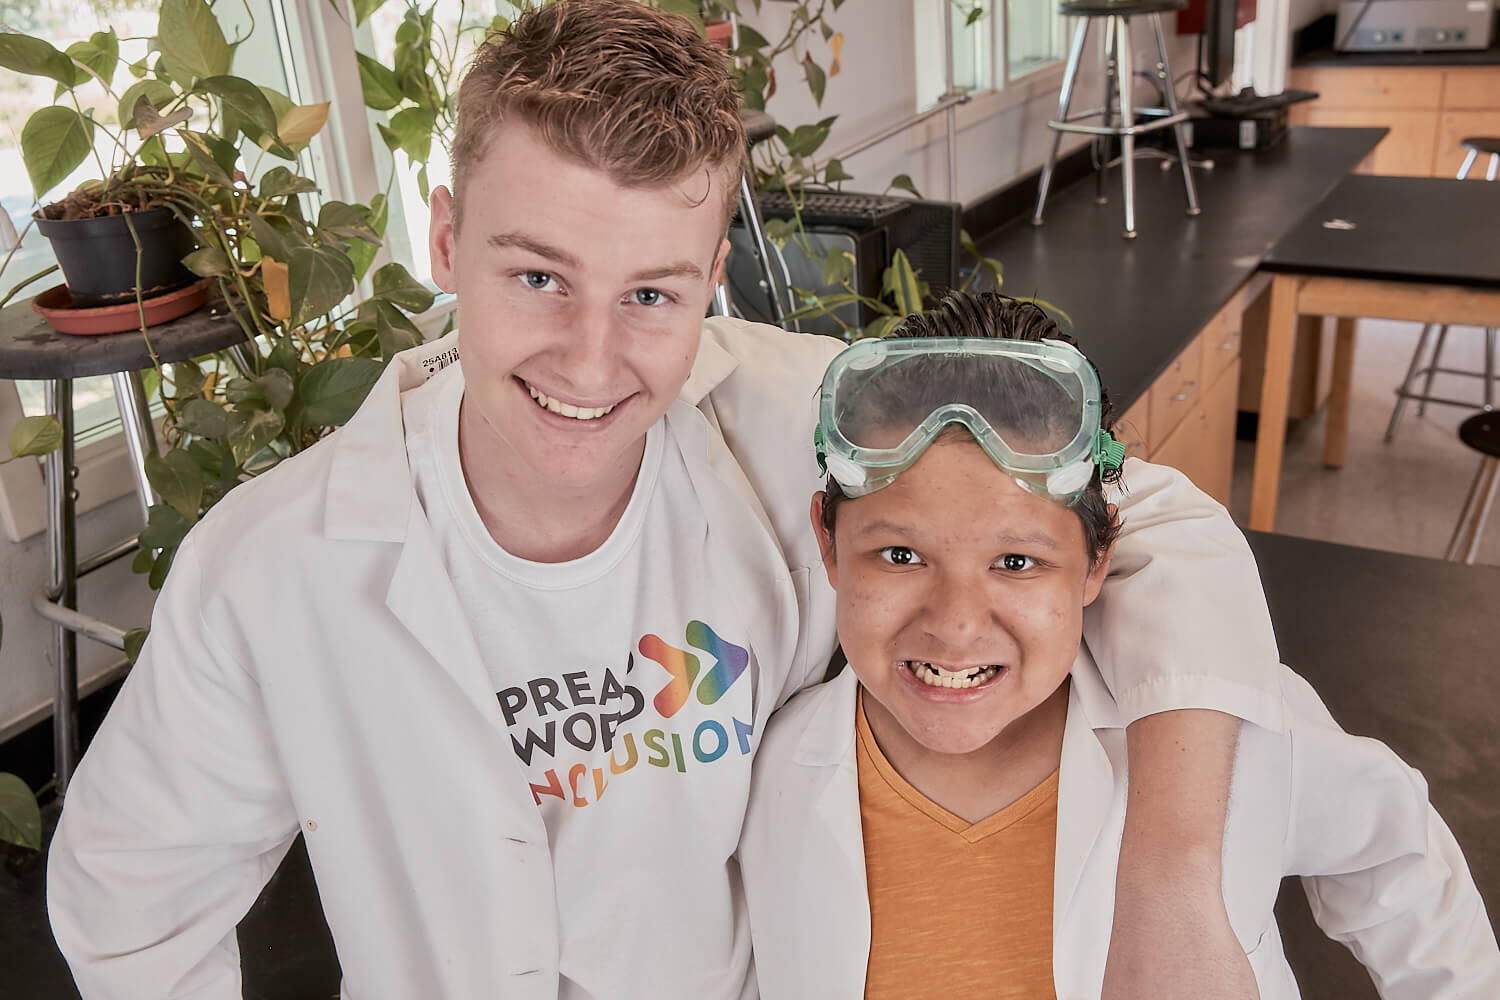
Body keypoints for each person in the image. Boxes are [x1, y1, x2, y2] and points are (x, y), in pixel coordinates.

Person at [49, 2, 1283, 997]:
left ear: (713, 282)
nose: (592, 361)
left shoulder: (797, 422)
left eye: (652, 295)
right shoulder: (269, 569)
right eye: (538, 274)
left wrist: (1174, 891)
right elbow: (131, 911)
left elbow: (1156, 518)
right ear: (442, 238)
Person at [738, 291, 1500, 999]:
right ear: (830, 548)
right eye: (901, 556)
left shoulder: (1233, 735)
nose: (958, 624)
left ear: (1095, 563)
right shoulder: (765, 773)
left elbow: (1399, 857)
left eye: (1016, 562)